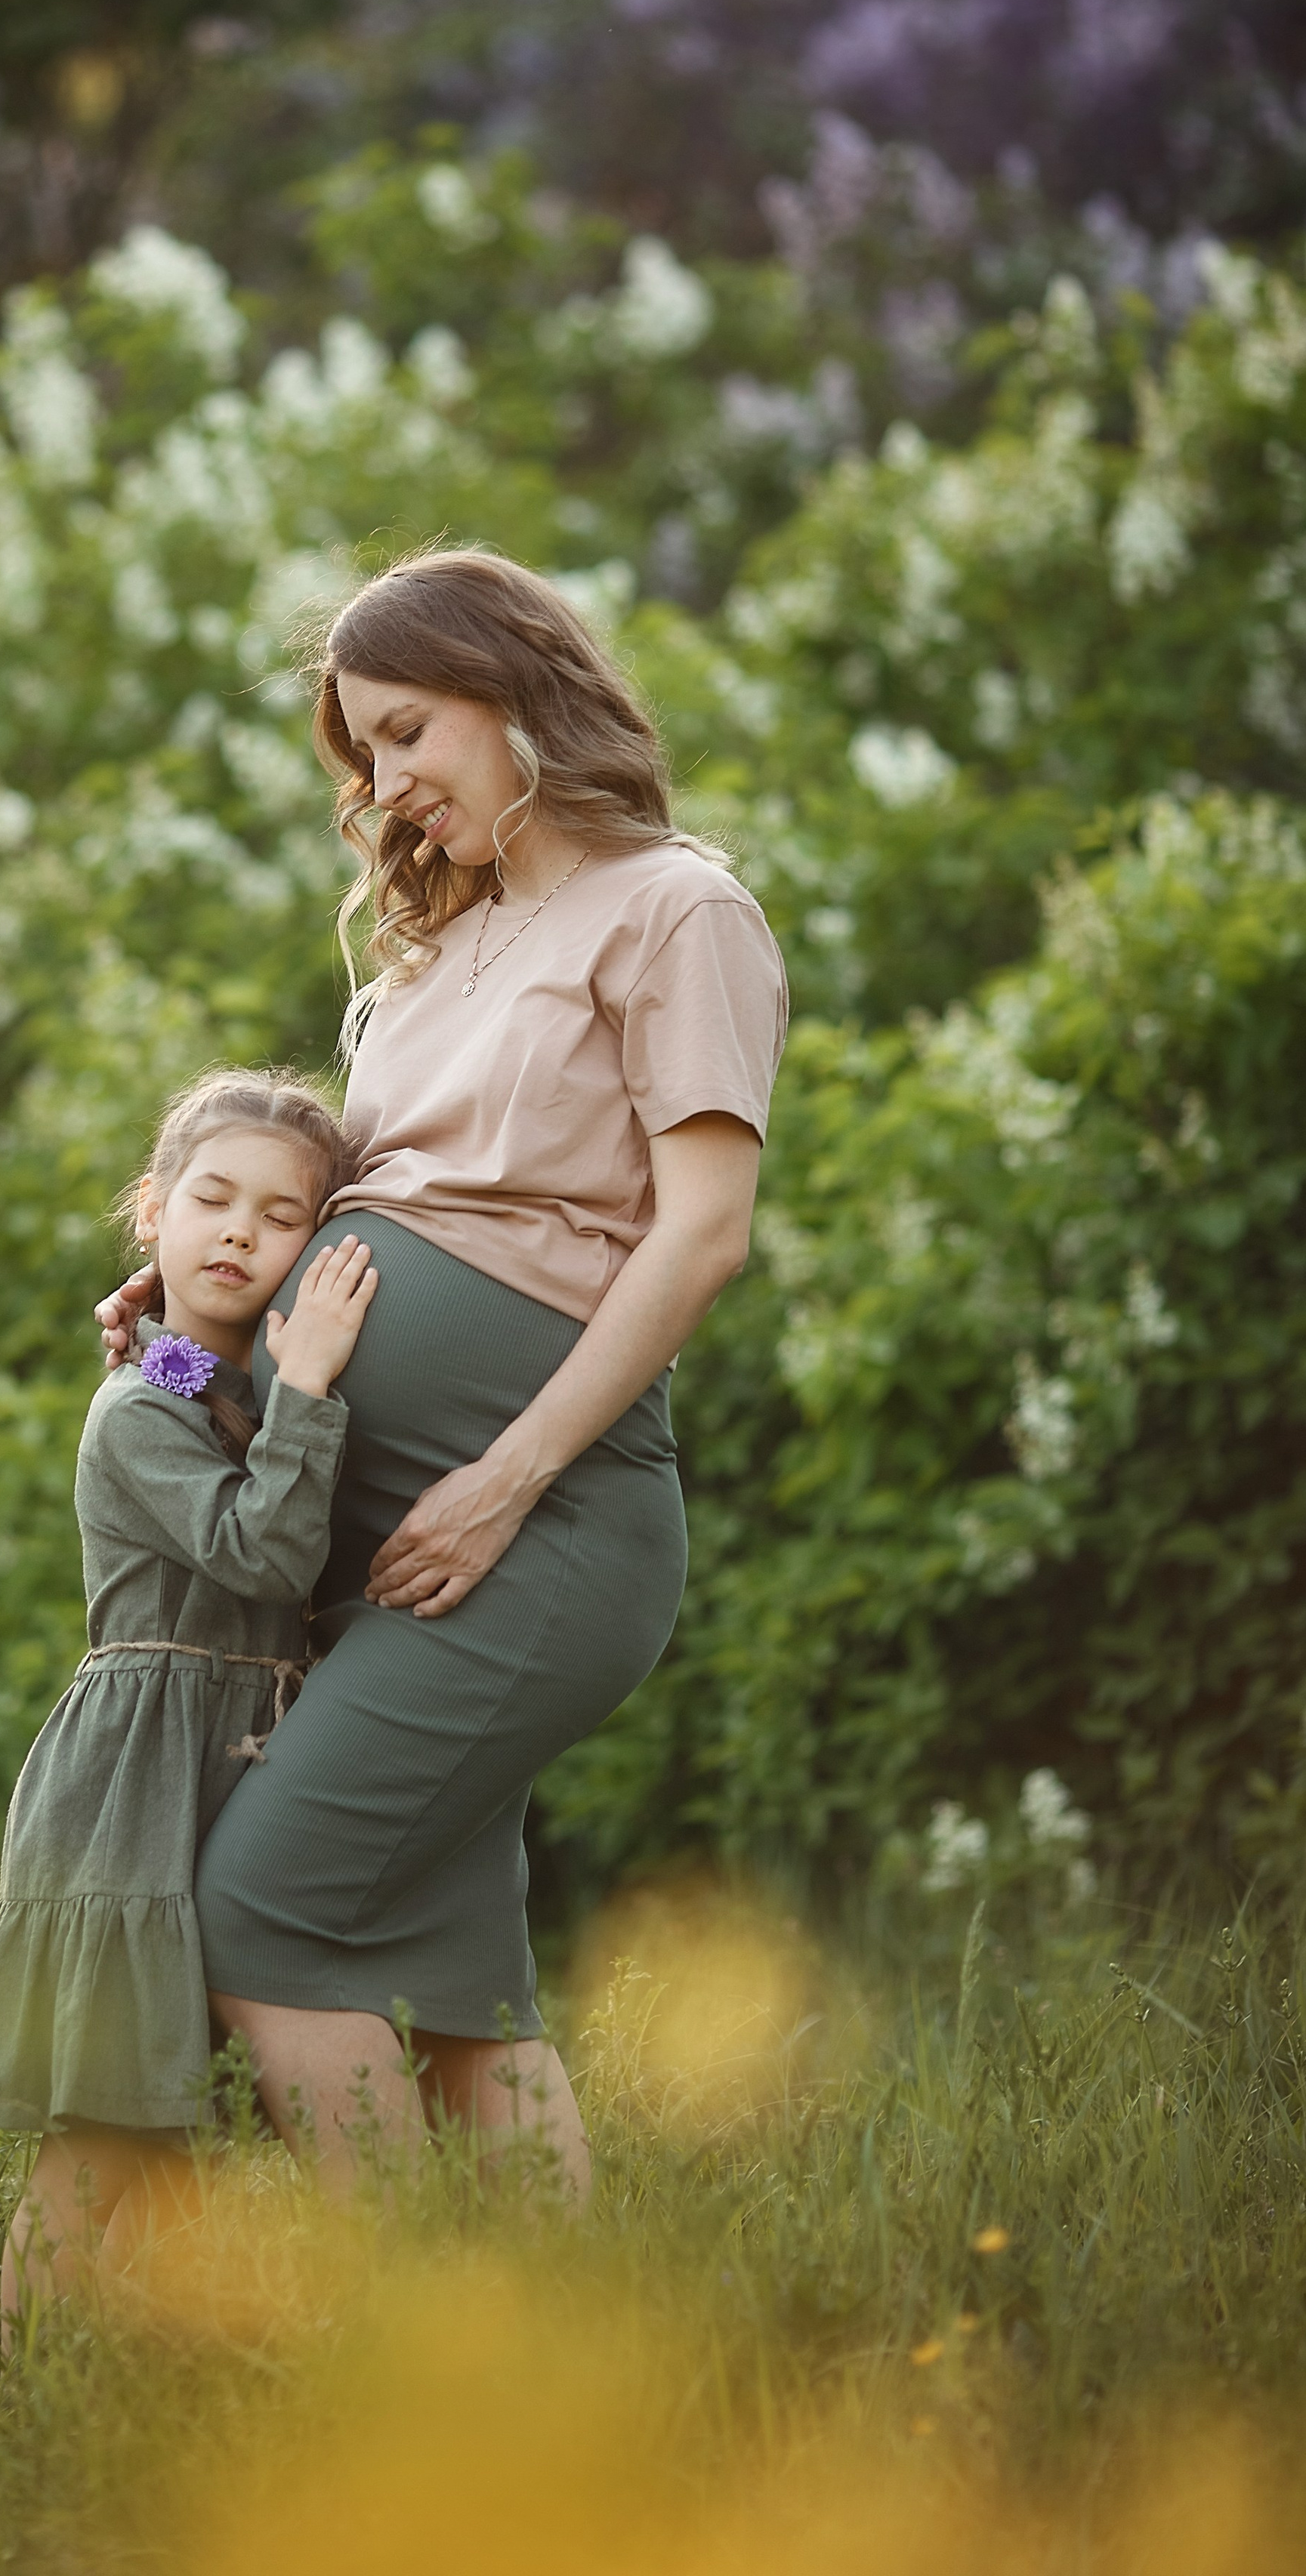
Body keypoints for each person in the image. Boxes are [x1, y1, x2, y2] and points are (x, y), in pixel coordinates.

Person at [101, 550, 789, 2199]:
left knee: (260, 1909)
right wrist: (200, 1321)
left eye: (408, 733)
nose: (388, 785)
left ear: (511, 688)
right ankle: (570, 2337)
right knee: (461, 1984)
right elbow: (344, 1221)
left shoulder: (674, 909)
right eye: (365, 754)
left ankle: (404, 2338)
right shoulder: (427, 958)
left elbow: (698, 1239)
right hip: (380, 1527)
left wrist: (505, 1478)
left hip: (533, 1524)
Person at [0, 1069, 378, 2318]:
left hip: (220, 1762)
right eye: (211, 1199)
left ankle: (131, 2414)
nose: (239, 1231)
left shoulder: (189, 1375)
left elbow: (212, 1385)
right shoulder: (137, 1407)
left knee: (177, 2143)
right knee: (102, 2136)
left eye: (281, 1217)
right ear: (155, 1211)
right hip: (136, 1782)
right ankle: (25, 2418)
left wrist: (232, 1351)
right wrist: (311, 1383)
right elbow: (265, 1553)